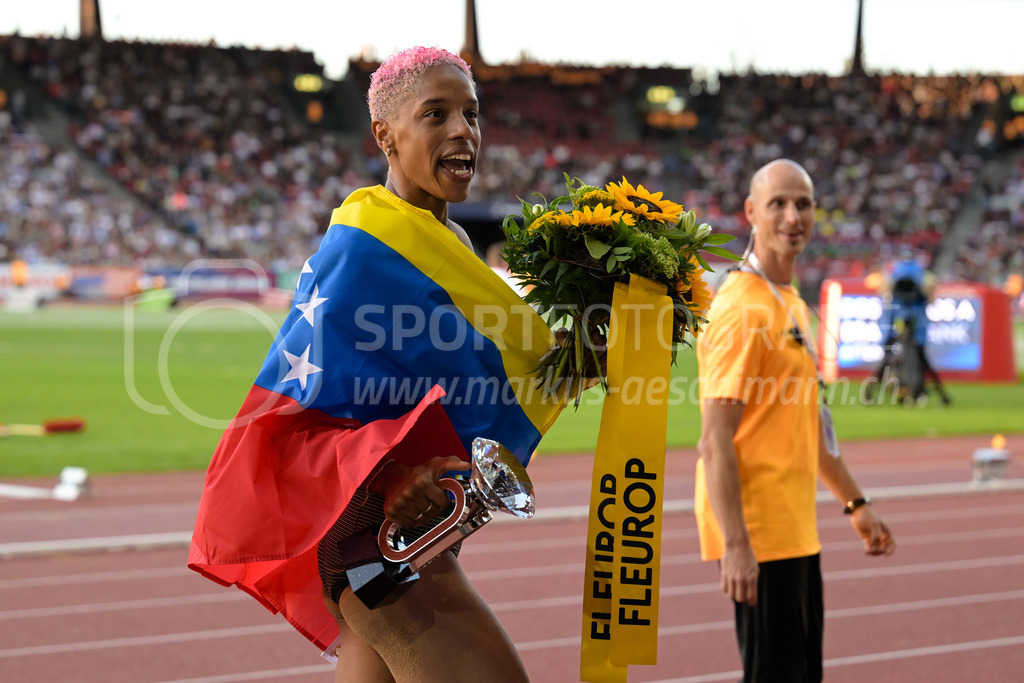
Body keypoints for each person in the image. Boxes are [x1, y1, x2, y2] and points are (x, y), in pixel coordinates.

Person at [189, 47, 565, 683]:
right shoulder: (363, 244)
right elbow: (302, 409)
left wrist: (587, 353)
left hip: (423, 534)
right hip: (367, 530)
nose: (462, 132)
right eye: (435, 114)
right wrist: (388, 475)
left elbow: (475, 374)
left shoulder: (453, 244)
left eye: (471, 115)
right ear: (384, 135)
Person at [693, 159, 896, 683]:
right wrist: (736, 544)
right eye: (779, 203)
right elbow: (715, 441)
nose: (792, 216)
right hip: (760, 535)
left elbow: (814, 426)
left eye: (802, 203)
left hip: (795, 528)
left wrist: (856, 504)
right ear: (751, 213)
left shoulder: (792, 304)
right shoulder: (741, 309)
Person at [871, 248, 951, 405]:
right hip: (914, 320)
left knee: (891, 354)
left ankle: (882, 389)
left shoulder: (893, 273)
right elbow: (930, 295)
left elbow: (884, 293)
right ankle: (917, 390)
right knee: (919, 355)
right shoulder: (922, 274)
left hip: (901, 321)